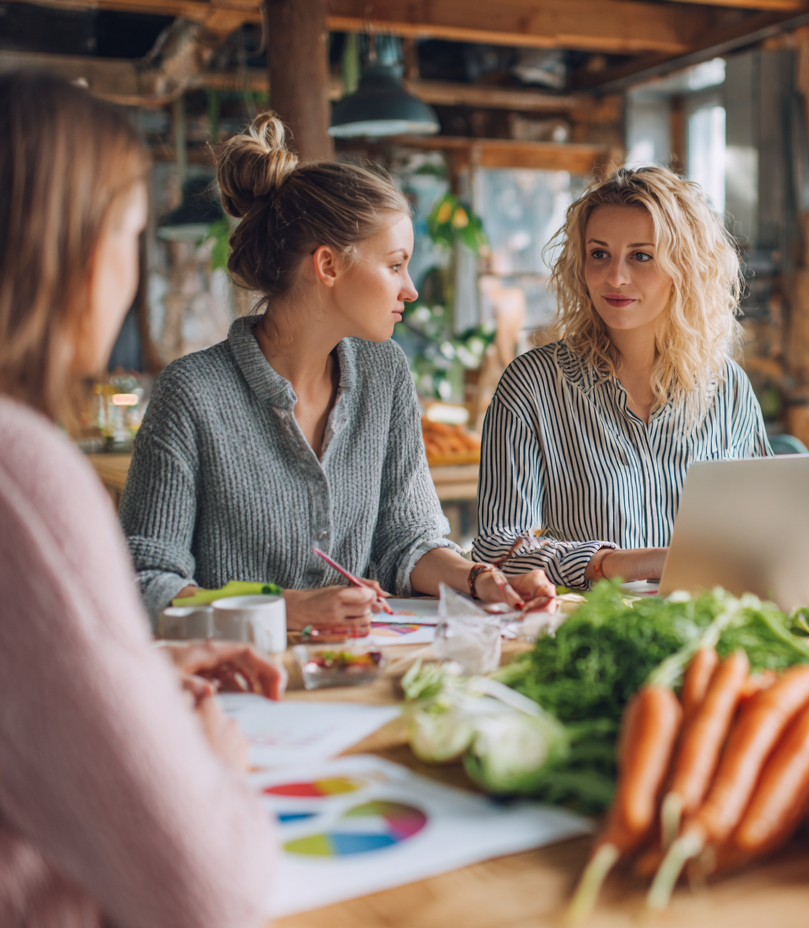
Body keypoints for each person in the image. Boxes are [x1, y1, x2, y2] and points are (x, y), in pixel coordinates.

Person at [0, 71, 278, 928]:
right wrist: (214, 762)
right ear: (72, 247)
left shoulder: (384, 381)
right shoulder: (26, 476)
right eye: (132, 233)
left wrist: (117, 681)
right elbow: (209, 892)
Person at [120, 113, 554, 638]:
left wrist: (482, 579)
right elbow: (145, 584)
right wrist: (286, 610)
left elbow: (408, 538)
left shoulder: (384, 373)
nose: (410, 288)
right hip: (234, 686)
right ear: (327, 266)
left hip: (355, 677)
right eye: (395, 265)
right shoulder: (191, 393)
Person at [474, 166, 770, 589]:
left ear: (685, 267)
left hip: (708, 628)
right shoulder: (533, 385)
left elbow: (766, 531)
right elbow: (496, 551)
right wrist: (618, 563)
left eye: (641, 256)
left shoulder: (728, 388)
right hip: (592, 631)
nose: (615, 277)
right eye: (599, 254)